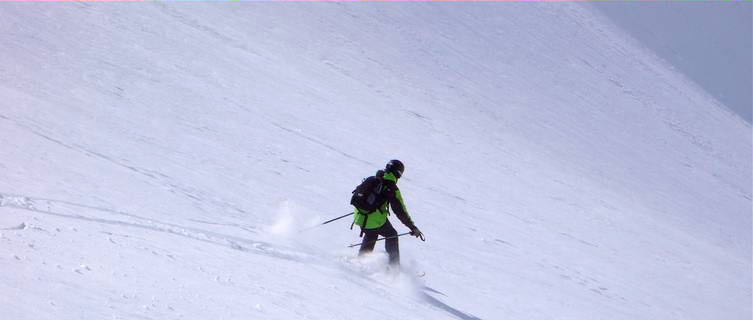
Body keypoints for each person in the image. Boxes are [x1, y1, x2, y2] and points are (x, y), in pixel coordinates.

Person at [352, 159, 423, 267]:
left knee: (371, 232)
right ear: (398, 174)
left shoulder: (374, 178)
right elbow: (400, 211)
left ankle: (361, 261)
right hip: (372, 219)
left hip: (359, 216)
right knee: (392, 235)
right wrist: (412, 227)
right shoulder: (391, 188)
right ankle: (394, 268)